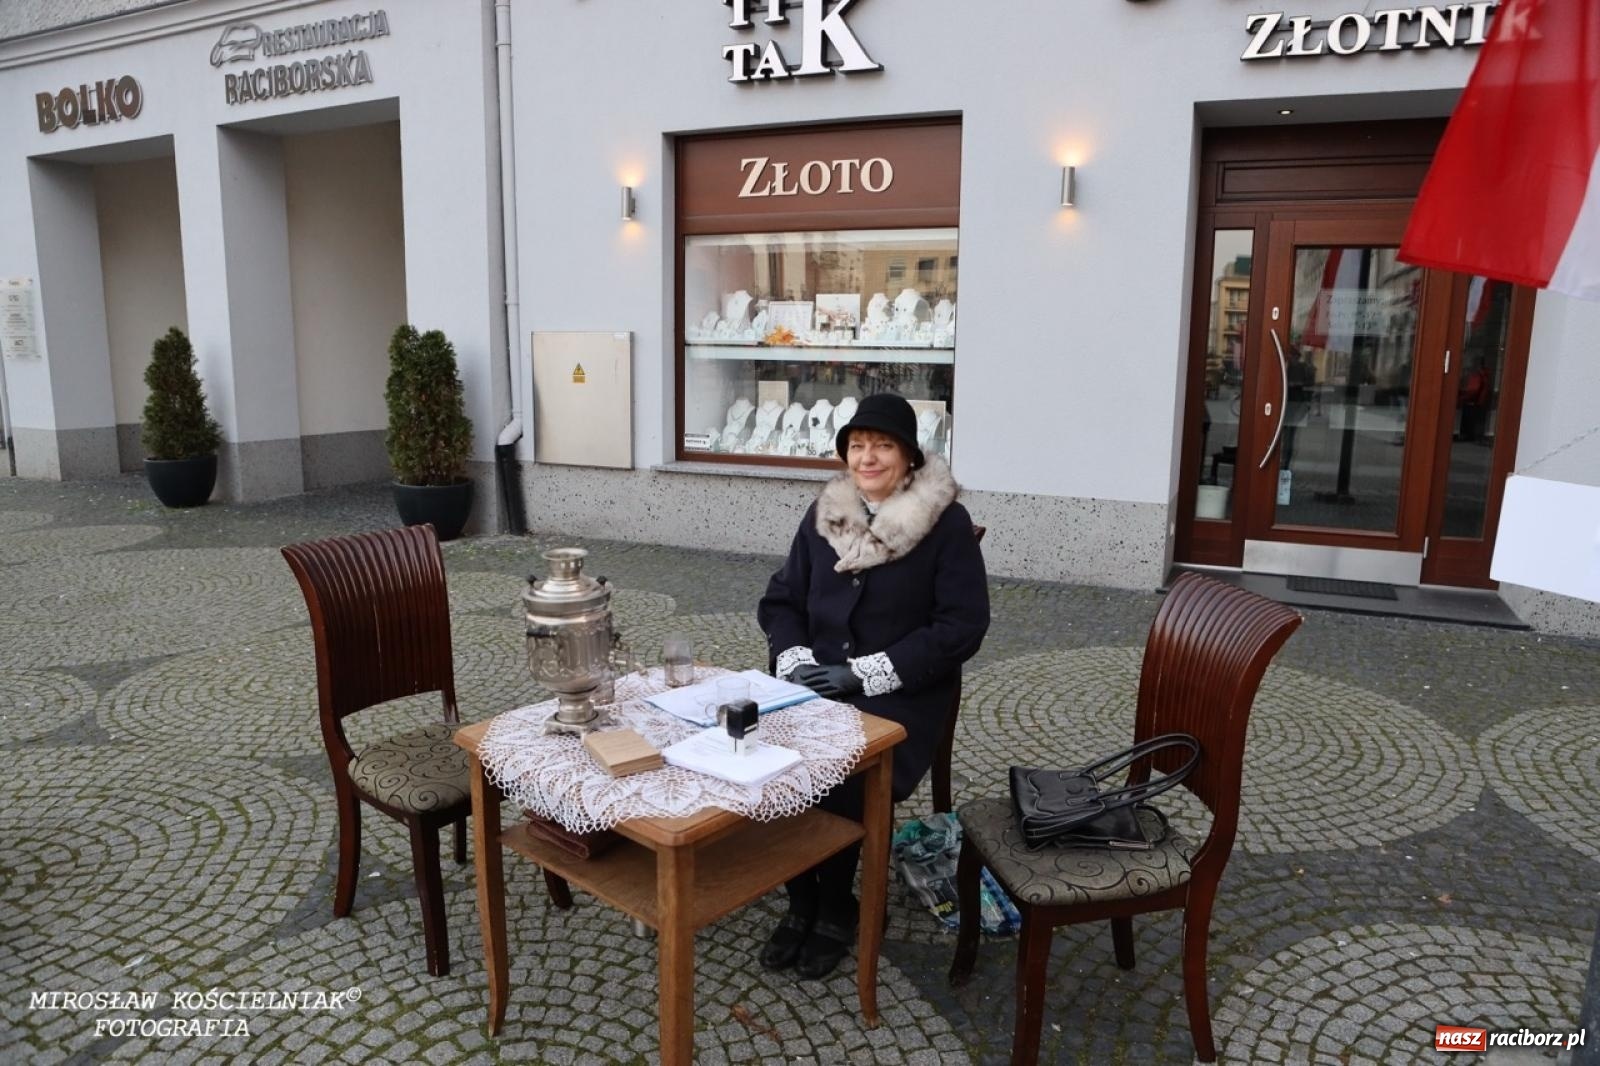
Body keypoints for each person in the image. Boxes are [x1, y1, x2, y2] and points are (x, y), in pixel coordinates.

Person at [756, 392, 990, 980]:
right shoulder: (824, 516)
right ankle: (800, 899)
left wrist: (864, 671)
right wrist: (795, 655)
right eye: (857, 446)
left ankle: (837, 906)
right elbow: (781, 599)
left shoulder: (945, 524)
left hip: (901, 690)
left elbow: (962, 625)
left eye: (882, 445)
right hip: (813, 678)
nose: (868, 457)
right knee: (760, 757)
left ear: (909, 457)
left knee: (839, 773)